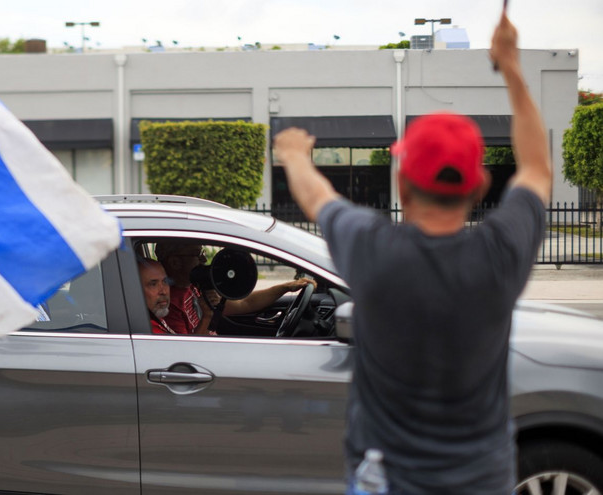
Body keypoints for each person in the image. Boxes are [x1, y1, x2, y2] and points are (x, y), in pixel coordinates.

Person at [273, 12, 551, 495]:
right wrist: (510, 65)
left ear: (401, 184)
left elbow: (317, 198)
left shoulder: (371, 248)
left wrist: (295, 154)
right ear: (481, 184)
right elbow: (537, 170)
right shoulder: (501, 254)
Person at [155, 242, 315, 335]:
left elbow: (244, 304)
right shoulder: (165, 303)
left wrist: (285, 287)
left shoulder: (194, 286)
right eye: (197, 254)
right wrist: (207, 316)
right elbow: (186, 354)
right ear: (175, 262)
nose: (204, 259)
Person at [137, 257, 177, 334]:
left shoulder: (155, 319)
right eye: (153, 284)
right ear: (136, 289)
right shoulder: (147, 332)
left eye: (165, 281)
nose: (164, 291)